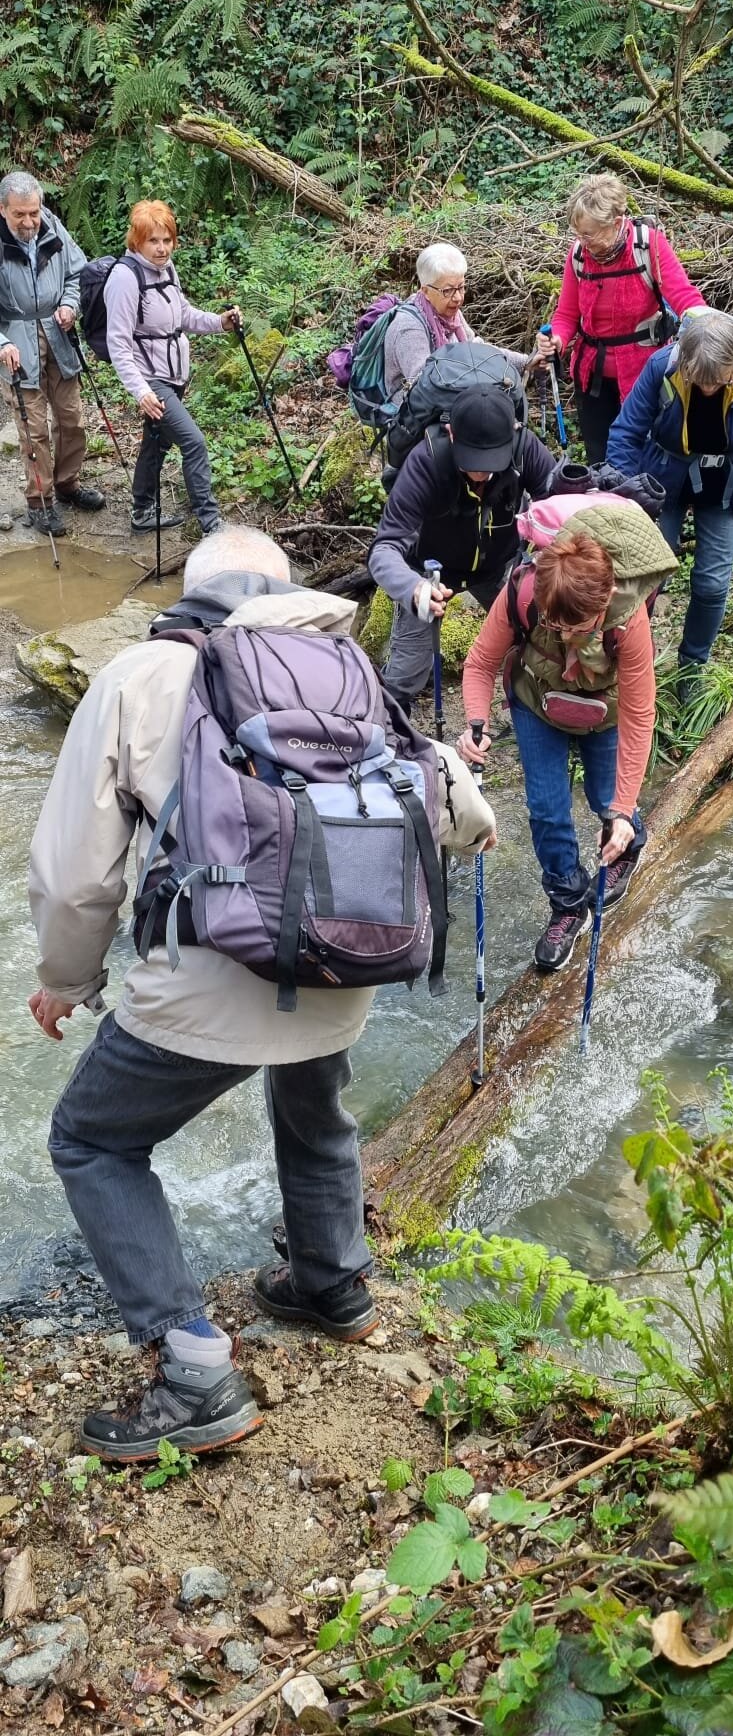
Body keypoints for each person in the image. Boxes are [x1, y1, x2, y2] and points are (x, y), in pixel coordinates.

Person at [27, 525, 495, 1462]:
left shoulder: (140, 674)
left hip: (210, 978)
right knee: (315, 1109)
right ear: (283, 592)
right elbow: (464, 816)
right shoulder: (341, 666)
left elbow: (78, 874)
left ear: (193, 590)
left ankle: (191, 1366)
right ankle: (332, 1284)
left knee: (92, 1139)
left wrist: (66, 979)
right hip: (339, 965)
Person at [457, 503, 677, 971]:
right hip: (537, 702)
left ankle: (626, 842)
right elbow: (480, 663)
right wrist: (475, 721)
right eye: (553, 624)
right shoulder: (523, 591)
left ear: (601, 608)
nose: (562, 633)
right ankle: (568, 904)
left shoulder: (628, 623)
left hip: (606, 711)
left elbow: (640, 715)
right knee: (546, 808)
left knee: (608, 800)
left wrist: (620, 811)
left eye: (573, 627)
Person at [606, 309, 733, 683]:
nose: (708, 389)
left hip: (727, 484)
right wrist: (621, 497)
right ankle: (632, 663)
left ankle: (691, 670)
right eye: (699, 380)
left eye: (717, 381)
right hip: (663, 478)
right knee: (645, 575)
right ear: (683, 359)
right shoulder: (661, 367)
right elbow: (626, 432)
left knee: (713, 584)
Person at [369, 368, 562, 713]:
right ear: (451, 434)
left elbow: (562, 508)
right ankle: (388, 729)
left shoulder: (524, 448)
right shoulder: (426, 461)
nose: (481, 472)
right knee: (407, 670)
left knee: (533, 639)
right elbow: (384, 549)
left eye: (491, 462)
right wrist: (412, 588)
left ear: (513, 433)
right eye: (472, 460)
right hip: (429, 572)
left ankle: (540, 712)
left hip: (497, 568)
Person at [535, 174, 706, 465]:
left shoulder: (647, 246)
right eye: (577, 233)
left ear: (616, 223)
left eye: (589, 234)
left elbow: (684, 297)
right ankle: (603, 507)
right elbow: (566, 314)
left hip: (646, 374)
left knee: (644, 455)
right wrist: (557, 340)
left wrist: (710, 328)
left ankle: (643, 510)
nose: (582, 242)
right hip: (593, 377)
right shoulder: (578, 255)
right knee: (600, 457)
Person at [103, 200, 239, 535]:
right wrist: (142, 391)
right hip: (152, 379)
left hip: (174, 374)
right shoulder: (125, 278)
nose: (162, 248)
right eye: (153, 241)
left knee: (157, 443)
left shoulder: (167, 269)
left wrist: (220, 323)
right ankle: (211, 524)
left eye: (167, 240)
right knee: (193, 442)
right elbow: (118, 344)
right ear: (137, 241)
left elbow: (184, 316)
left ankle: (142, 511)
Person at [0, 170, 105, 536]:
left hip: (57, 336)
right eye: (20, 215)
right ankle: (39, 501)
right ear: (3, 210)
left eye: (34, 212)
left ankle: (67, 485)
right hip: (15, 342)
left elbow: (78, 273)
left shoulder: (53, 228)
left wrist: (69, 305)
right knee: (34, 428)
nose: (29, 222)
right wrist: (2, 343)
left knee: (72, 417)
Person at [384, 241, 530, 404]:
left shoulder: (449, 314)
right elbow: (422, 384)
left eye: (461, 287)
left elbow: (477, 351)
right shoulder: (409, 328)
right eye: (447, 291)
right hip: (408, 408)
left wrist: (526, 363)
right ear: (425, 291)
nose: (458, 298)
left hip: (445, 393)